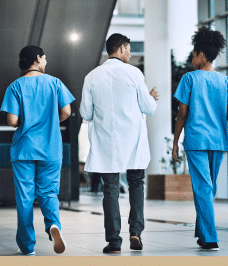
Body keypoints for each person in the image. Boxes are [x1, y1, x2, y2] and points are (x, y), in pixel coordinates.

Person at [80, 33, 159, 253]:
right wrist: (150, 97)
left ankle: (114, 242)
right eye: (129, 49)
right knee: (136, 184)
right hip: (133, 140)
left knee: (111, 190)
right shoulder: (134, 73)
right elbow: (149, 107)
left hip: (107, 142)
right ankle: (135, 231)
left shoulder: (92, 76)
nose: (130, 54)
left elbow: (85, 113)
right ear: (122, 48)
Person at [172, 26, 228, 251]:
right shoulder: (225, 82)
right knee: (208, 188)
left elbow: (182, 114)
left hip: (196, 141)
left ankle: (211, 237)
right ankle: (203, 233)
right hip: (218, 142)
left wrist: (175, 142)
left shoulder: (189, 79)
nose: (192, 58)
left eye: (194, 54)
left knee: (204, 188)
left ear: (202, 55)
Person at [0, 45, 74, 256]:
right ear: (38, 58)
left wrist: (27, 122)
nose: (46, 62)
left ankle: (27, 246)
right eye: (45, 58)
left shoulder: (15, 86)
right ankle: (53, 226)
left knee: (25, 198)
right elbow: (66, 112)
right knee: (48, 192)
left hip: (24, 150)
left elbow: (12, 120)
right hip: (50, 148)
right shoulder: (55, 83)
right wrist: (50, 121)